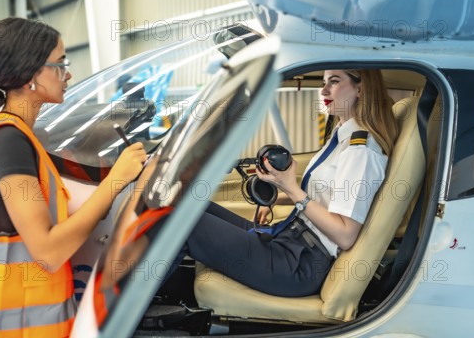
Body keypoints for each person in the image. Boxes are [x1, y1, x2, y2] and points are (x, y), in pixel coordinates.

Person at [0, 17, 147, 338]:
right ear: (33, 74)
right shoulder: (7, 140)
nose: (68, 74)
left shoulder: (18, 136)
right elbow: (48, 252)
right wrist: (116, 181)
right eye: (60, 64)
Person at [167, 69, 398, 297]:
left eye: (334, 82)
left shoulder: (361, 151)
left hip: (300, 263)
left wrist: (291, 189)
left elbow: (345, 234)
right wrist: (276, 196)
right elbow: (323, 198)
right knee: (186, 204)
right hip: (291, 239)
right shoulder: (341, 137)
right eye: (324, 82)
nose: (324, 89)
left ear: (360, 88)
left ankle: (137, 308)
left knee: (176, 223)